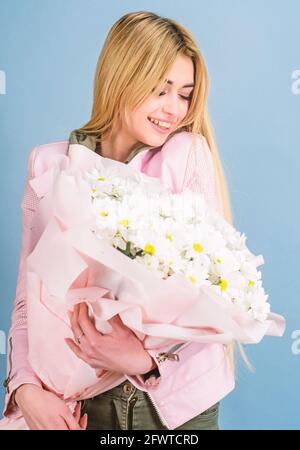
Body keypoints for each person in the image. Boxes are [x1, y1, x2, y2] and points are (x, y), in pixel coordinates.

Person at [1, 11, 251, 430]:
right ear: (122, 77)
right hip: (79, 401)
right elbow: (29, 297)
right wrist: (24, 389)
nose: (174, 109)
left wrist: (141, 360)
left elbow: (207, 295)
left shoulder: (186, 155)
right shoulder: (49, 164)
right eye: (160, 90)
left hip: (171, 404)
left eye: (185, 94)